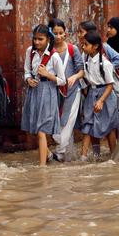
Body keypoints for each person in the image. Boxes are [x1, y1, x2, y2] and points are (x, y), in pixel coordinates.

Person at [21, 24, 65, 166]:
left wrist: (48, 75)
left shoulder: (55, 57)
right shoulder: (30, 52)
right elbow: (27, 70)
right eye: (35, 39)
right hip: (34, 91)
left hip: (48, 93)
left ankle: (42, 168)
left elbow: (62, 81)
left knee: (41, 130)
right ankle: (48, 154)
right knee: (34, 128)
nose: (37, 42)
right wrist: (28, 79)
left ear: (48, 39)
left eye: (40, 39)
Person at [79, 31, 119, 159]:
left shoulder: (105, 64)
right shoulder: (86, 59)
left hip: (105, 95)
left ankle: (114, 157)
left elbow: (110, 85)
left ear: (95, 46)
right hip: (92, 93)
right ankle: (86, 157)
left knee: (109, 128)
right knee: (88, 125)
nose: (83, 47)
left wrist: (101, 101)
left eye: (86, 44)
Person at [49, 19, 84, 162]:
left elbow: (82, 71)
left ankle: (59, 151)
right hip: (55, 92)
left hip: (73, 91)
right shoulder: (48, 50)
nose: (58, 36)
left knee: (68, 121)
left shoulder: (72, 49)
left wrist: (74, 77)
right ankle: (63, 154)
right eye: (55, 33)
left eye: (60, 33)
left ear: (65, 34)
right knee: (57, 121)